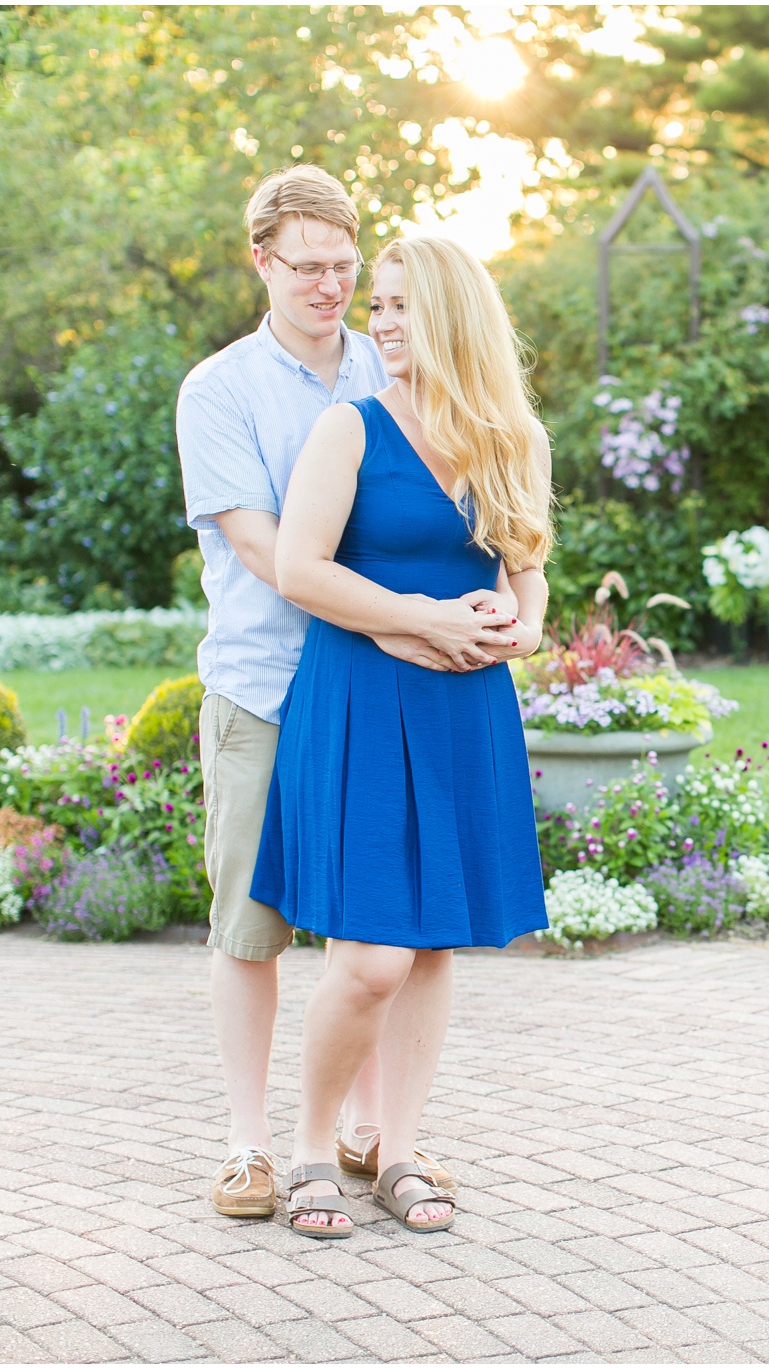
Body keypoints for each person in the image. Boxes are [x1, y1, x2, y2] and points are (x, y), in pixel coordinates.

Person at [175, 167, 517, 1220]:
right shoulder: (220, 390)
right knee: (256, 924)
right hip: (266, 690)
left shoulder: (396, 357)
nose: (332, 288)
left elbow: (487, 512)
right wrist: (419, 624)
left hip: (386, 696)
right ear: (262, 262)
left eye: (344, 268)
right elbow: (275, 553)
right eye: (308, 268)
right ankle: (249, 1146)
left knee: (384, 929)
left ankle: (374, 1134)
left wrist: (497, 609)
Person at [252, 233, 554, 1237]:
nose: (374, 322)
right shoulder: (350, 428)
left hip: (464, 709)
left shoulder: (510, 438)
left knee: (431, 949)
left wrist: (524, 626)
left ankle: (395, 1148)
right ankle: (306, 1147)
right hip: (361, 701)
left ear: (450, 317)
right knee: (373, 952)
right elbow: (298, 568)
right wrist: (421, 619)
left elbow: (529, 568)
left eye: (395, 306)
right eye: (374, 305)